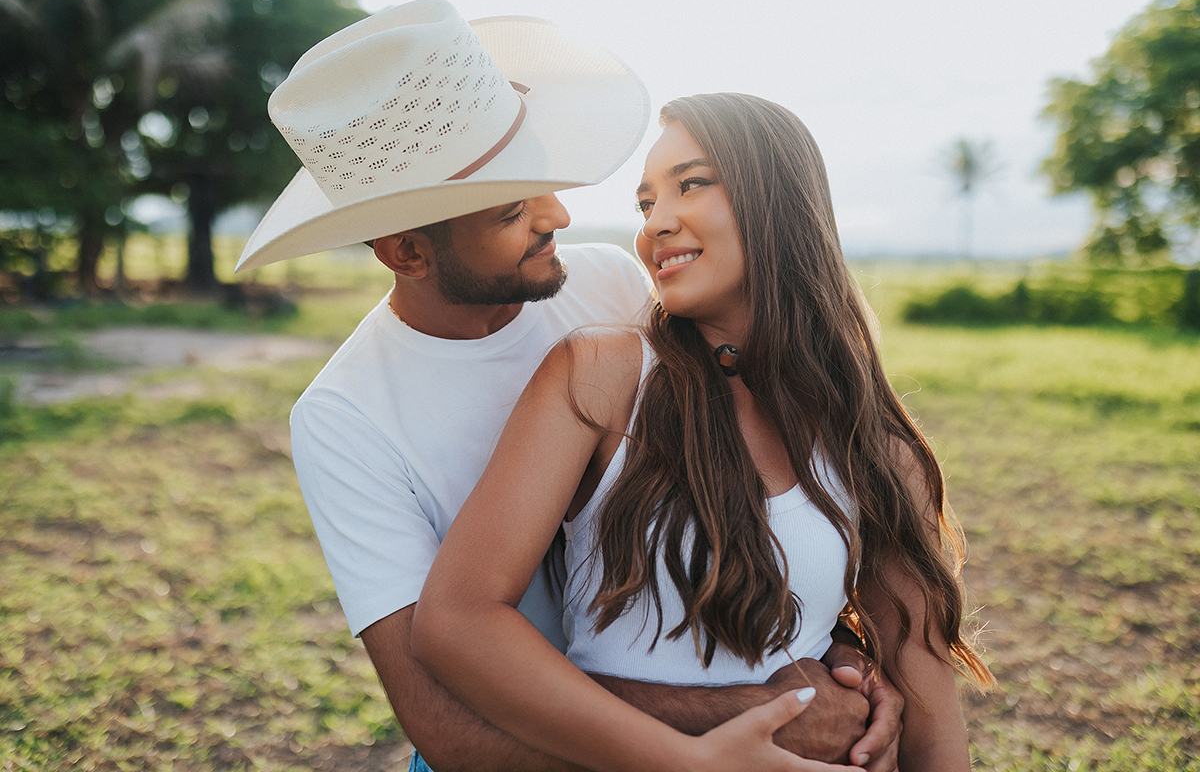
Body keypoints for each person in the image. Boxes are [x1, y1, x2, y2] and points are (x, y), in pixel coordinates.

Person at [237, 0, 903, 772]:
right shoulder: (345, 416)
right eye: (514, 208)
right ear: (407, 252)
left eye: (542, 178)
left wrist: (846, 652)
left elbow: (760, 484)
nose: (559, 213)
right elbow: (444, 722)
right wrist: (739, 734)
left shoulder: (608, 287)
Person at [411, 93, 995, 771]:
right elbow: (456, 621)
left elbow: (931, 717)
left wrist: (850, 670)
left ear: (778, 200)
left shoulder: (875, 446)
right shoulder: (603, 377)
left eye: (690, 184)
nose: (656, 224)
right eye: (645, 203)